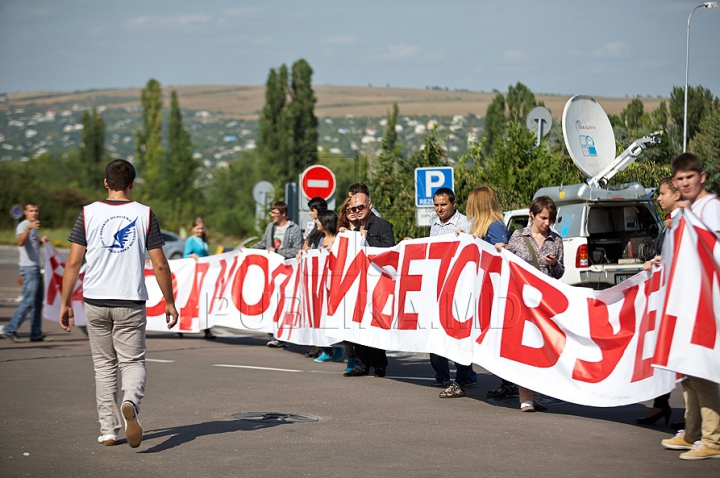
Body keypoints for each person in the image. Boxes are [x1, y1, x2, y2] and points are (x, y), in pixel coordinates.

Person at [59, 159, 178, 448]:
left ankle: (109, 430)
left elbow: (74, 262)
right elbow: (160, 264)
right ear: (131, 184)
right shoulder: (144, 214)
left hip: (95, 299)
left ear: (105, 183)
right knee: (133, 361)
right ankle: (130, 403)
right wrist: (169, 301)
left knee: (103, 366)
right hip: (130, 299)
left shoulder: (88, 214)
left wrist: (65, 302)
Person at [660, 153, 720, 460]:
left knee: (703, 370)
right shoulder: (688, 210)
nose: (684, 184)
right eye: (679, 179)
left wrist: (689, 216)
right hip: (685, 300)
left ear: (702, 177)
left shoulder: (710, 208)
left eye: (689, 178)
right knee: (687, 370)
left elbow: (712, 246)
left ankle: (713, 439)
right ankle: (694, 432)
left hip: (706, 303)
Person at [437, 186, 511, 399]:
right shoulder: (480, 226)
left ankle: (465, 381)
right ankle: (465, 380)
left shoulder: (494, 227)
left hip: (488, 292)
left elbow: (497, 256)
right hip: (480, 291)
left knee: (478, 336)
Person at [496, 195, 564, 412]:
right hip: (522, 300)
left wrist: (554, 265)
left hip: (545, 302)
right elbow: (507, 262)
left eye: (550, 219)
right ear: (532, 215)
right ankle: (525, 395)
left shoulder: (556, 240)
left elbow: (561, 273)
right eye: (543, 218)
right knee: (525, 347)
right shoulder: (517, 236)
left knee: (542, 349)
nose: (547, 223)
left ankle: (533, 395)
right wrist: (500, 250)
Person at [421, 187, 475, 398]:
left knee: (457, 331)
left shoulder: (465, 223)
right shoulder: (434, 224)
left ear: (453, 203)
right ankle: (442, 374)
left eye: (443, 205)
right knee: (435, 329)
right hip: (438, 284)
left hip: (458, 285)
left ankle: (465, 374)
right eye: (436, 205)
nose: (439, 209)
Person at [638, 177, 681, 426]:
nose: (659, 198)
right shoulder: (669, 223)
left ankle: (696, 419)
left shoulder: (680, 223)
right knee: (662, 352)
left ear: (675, 195)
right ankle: (660, 403)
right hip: (664, 295)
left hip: (675, 298)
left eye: (663, 193)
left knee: (677, 355)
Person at [344, 191, 395, 377]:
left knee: (376, 324)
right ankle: (361, 364)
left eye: (360, 207)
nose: (357, 211)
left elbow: (390, 249)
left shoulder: (382, 225)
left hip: (378, 283)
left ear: (370, 205)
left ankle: (379, 364)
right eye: (353, 208)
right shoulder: (354, 231)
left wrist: (367, 239)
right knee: (359, 324)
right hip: (360, 284)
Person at [251, 201, 303, 348]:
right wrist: (248, 249)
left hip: (286, 272)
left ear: (283, 214)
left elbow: (296, 250)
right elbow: (264, 244)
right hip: (271, 271)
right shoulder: (270, 227)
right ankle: (273, 335)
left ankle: (284, 336)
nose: (272, 216)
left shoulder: (294, 229)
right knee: (271, 301)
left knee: (284, 302)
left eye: (275, 213)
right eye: (271, 213)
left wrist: (278, 252)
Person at [300, 210, 345, 363]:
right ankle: (326, 348)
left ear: (326, 222)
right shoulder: (318, 239)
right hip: (318, 286)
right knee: (318, 317)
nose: (316, 223)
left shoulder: (339, 239)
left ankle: (337, 345)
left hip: (333, 285)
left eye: (319, 220)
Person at [1, 202, 50, 342]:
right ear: (25, 212)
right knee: (29, 300)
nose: (34, 213)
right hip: (28, 268)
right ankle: (10, 329)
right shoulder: (24, 225)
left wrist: (41, 241)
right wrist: (28, 227)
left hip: (35, 266)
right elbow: (20, 242)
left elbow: (31, 243)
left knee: (37, 302)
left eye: (36, 210)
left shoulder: (33, 227)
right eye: (31, 210)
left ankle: (36, 333)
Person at [182, 217, 215, 339]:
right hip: (195, 273)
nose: (200, 231)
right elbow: (185, 255)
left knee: (205, 301)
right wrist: (192, 255)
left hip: (204, 273)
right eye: (198, 228)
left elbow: (206, 255)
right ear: (193, 228)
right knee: (195, 300)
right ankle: (185, 324)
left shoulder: (203, 240)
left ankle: (207, 329)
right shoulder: (191, 240)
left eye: (202, 228)